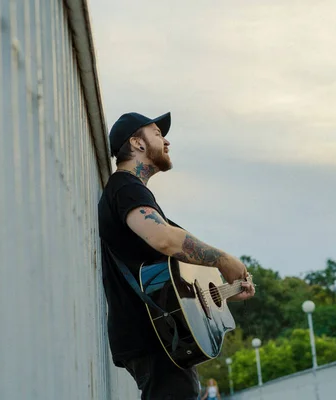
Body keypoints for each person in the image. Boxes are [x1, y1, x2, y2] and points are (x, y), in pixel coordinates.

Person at [98, 111, 255, 400]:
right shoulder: (126, 187)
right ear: (137, 143)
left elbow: (168, 281)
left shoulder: (133, 190)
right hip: (154, 335)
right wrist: (223, 259)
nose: (166, 140)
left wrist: (222, 292)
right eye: (157, 133)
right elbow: (164, 239)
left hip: (164, 335)